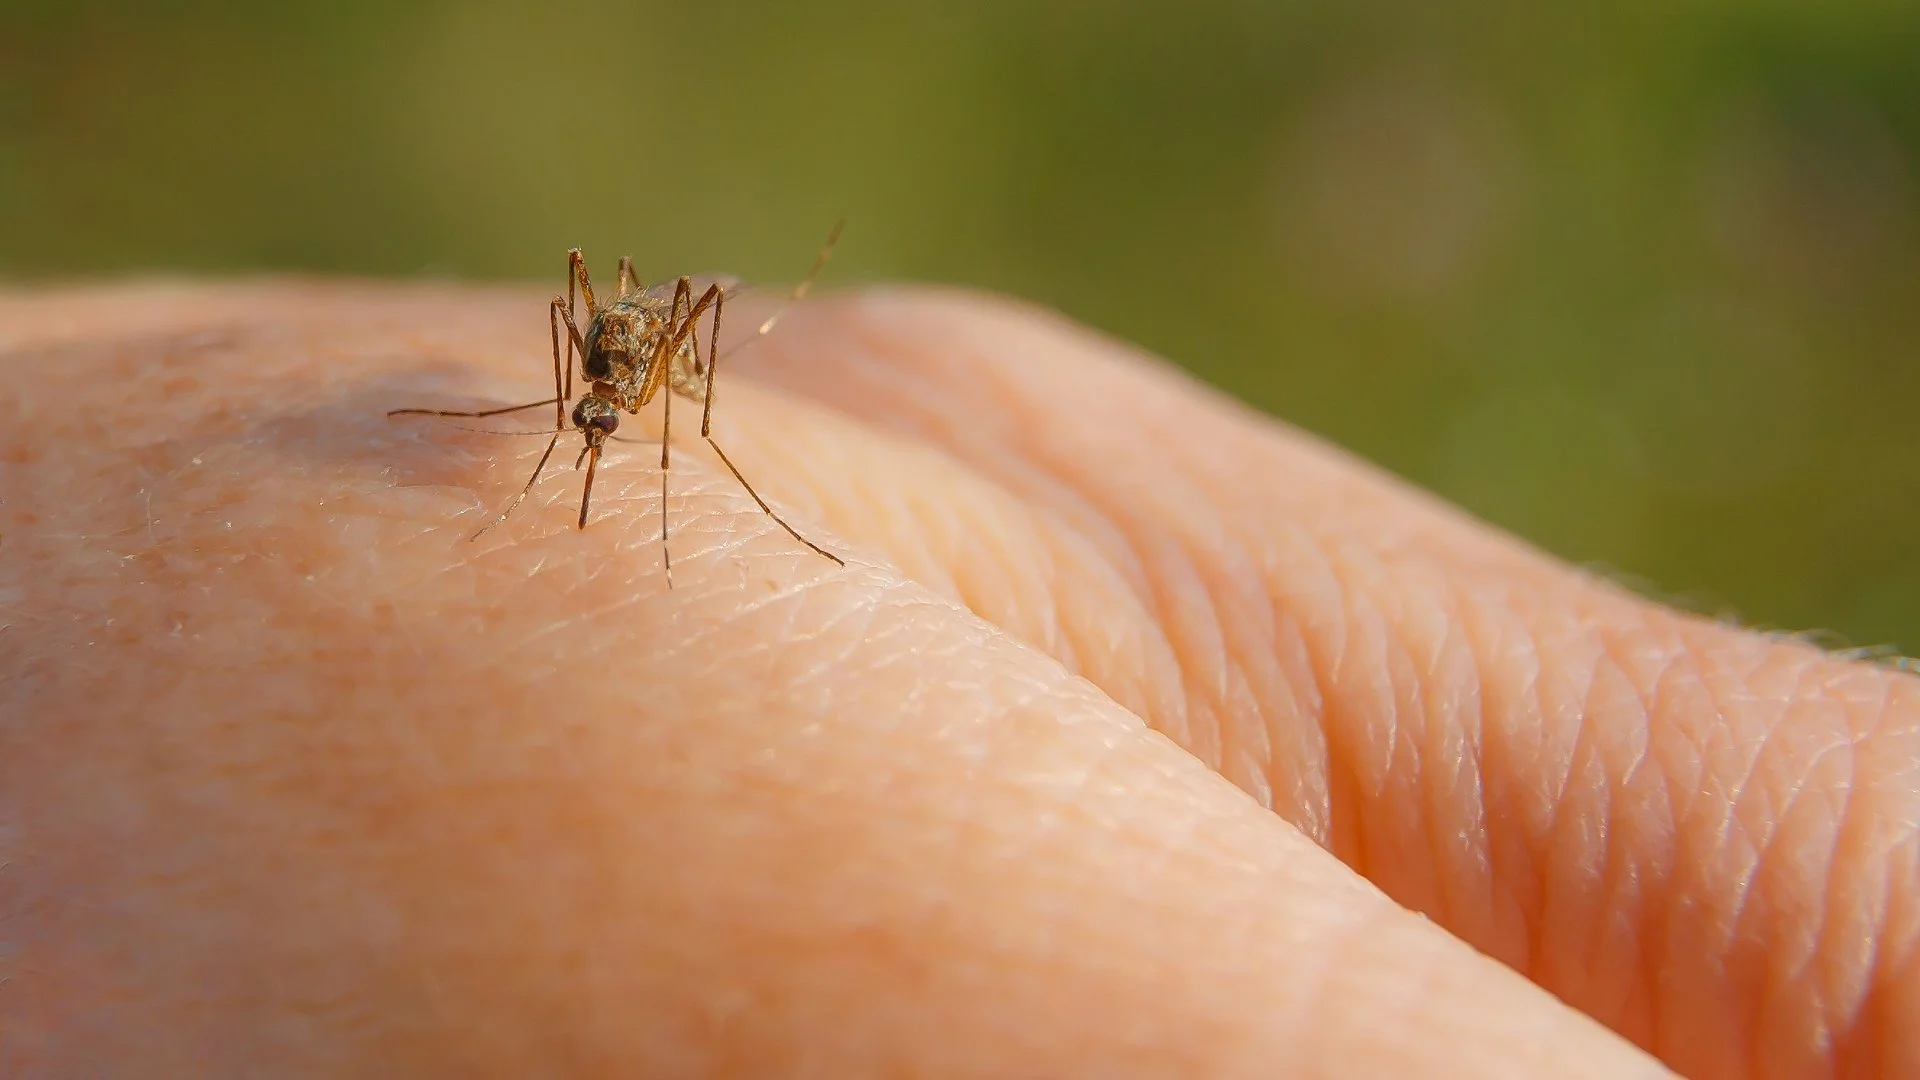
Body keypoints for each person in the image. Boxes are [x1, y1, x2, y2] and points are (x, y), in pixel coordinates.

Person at [2, 280, 1912, 1077]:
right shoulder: (575, 368)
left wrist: (698, 456)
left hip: (694, 402)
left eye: (607, 393)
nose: (599, 412)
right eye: (599, 393)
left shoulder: (660, 372)